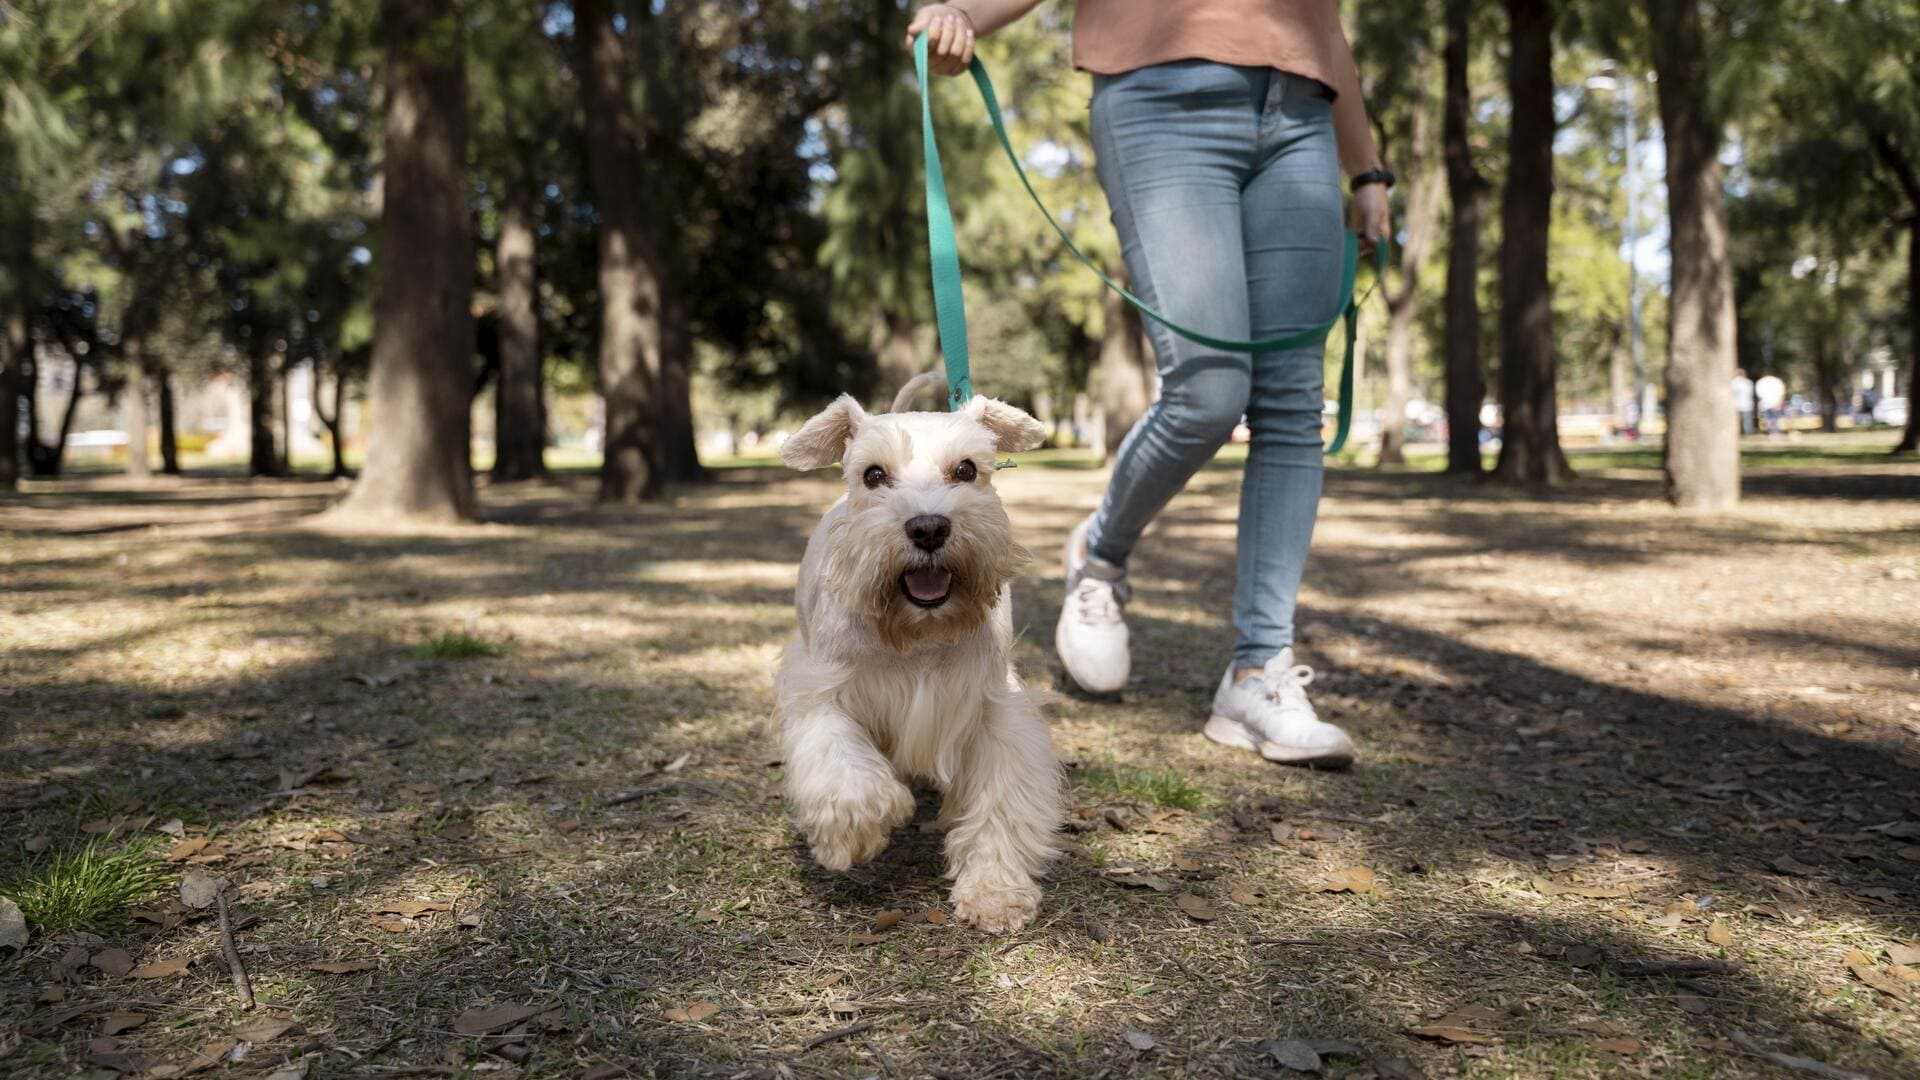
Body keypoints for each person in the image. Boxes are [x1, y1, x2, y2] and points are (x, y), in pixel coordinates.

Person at [908, 1, 1393, 768]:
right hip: (1162, 100)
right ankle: (1100, 556)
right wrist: (964, 13)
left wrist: (1366, 168)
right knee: (1209, 390)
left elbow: (1327, 21)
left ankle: (1258, 671)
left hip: (1303, 113)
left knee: (1293, 404)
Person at [1755, 372, 1786, 437]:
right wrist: (1780, 401)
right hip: (1774, 402)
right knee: (1774, 419)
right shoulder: (1777, 381)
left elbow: (1759, 393)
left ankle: (1772, 432)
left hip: (1766, 404)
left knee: (1769, 419)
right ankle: (1774, 432)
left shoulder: (1762, 382)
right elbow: (1782, 392)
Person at [1731, 368, 1755, 436]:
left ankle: (1736, 433)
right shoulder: (1749, 382)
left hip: (1736, 404)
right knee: (1747, 421)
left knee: (1736, 421)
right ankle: (1748, 433)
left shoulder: (1734, 382)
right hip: (1747, 404)